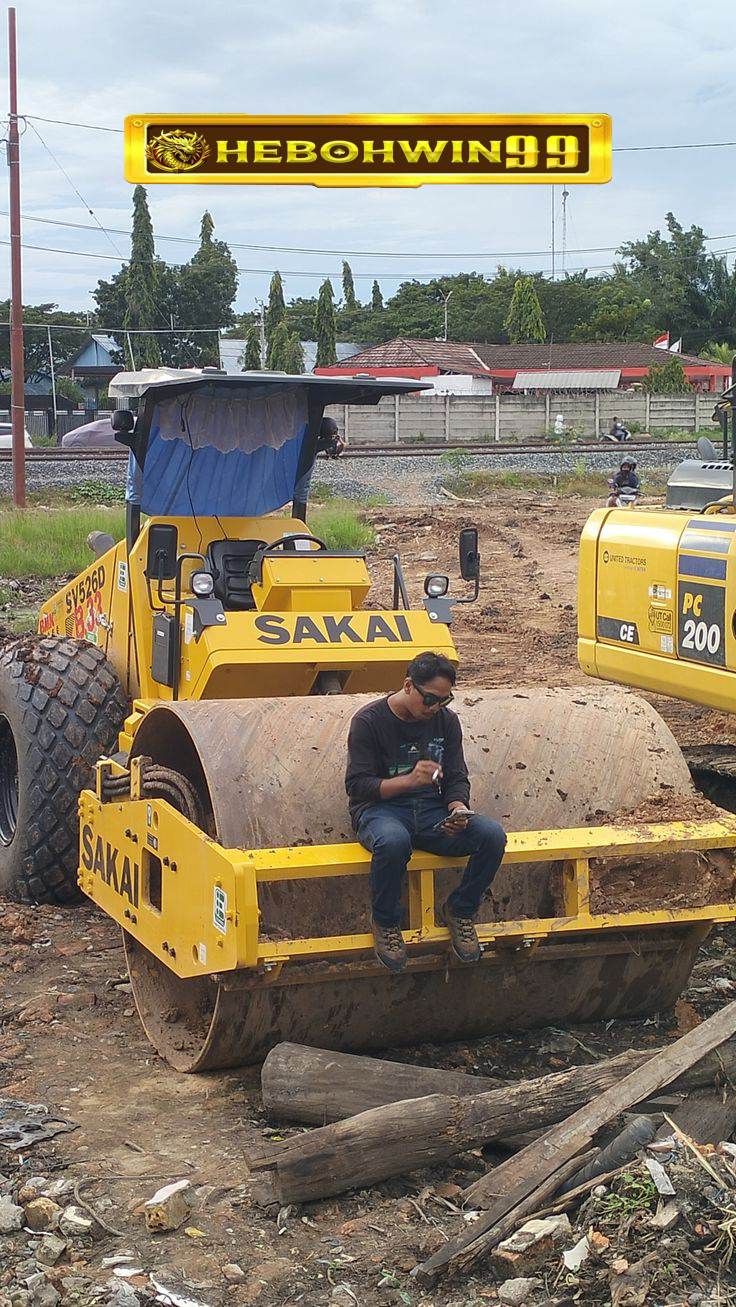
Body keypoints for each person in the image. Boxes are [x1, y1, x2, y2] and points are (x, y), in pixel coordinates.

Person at [345, 652, 507, 973]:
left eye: (444, 701)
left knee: (491, 836)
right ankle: (387, 924)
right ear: (408, 686)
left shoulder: (446, 722)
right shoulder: (368, 722)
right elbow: (358, 786)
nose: (435, 708)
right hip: (381, 811)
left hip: (431, 811)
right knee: (393, 842)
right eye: (430, 700)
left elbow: (456, 776)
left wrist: (457, 808)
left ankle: (460, 910)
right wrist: (407, 780)